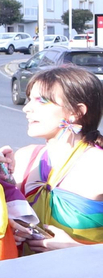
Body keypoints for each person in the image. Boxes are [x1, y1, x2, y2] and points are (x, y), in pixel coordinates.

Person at [13, 64, 103, 250]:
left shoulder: (98, 164)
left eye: (42, 100)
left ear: (77, 112)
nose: (27, 108)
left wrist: (76, 249)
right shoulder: (24, 158)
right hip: (24, 276)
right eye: (30, 99)